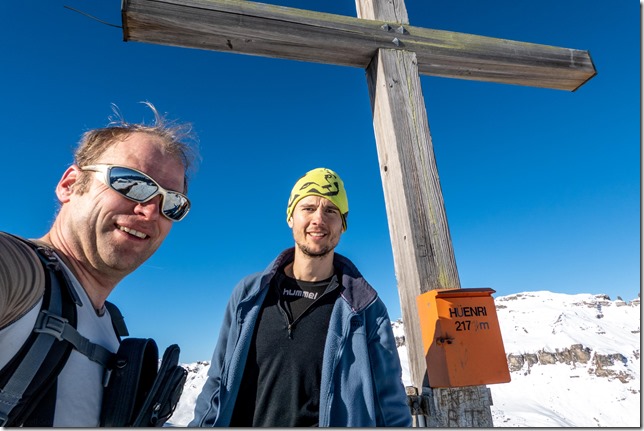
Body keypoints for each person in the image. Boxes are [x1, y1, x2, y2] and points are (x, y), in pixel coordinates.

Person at [0, 103, 198, 426]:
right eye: (132, 183)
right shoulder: (21, 274)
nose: (150, 212)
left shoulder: (113, 326)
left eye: (172, 203)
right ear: (70, 185)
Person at [190, 167, 412, 427]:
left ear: (343, 225)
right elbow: (218, 381)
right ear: (290, 218)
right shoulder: (249, 294)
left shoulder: (364, 308)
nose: (319, 219)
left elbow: (390, 405)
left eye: (331, 210)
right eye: (308, 208)